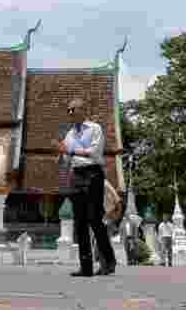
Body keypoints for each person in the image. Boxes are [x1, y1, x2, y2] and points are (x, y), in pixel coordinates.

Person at [57, 97, 116, 277]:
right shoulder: (69, 135)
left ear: (82, 110)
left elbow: (94, 153)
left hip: (93, 173)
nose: (70, 113)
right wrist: (61, 155)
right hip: (76, 176)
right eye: (68, 110)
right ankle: (86, 267)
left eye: (72, 109)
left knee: (95, 219)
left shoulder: (94, 128)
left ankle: (108, 261)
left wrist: (71, 151)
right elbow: (66, 161)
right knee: (80, 222)